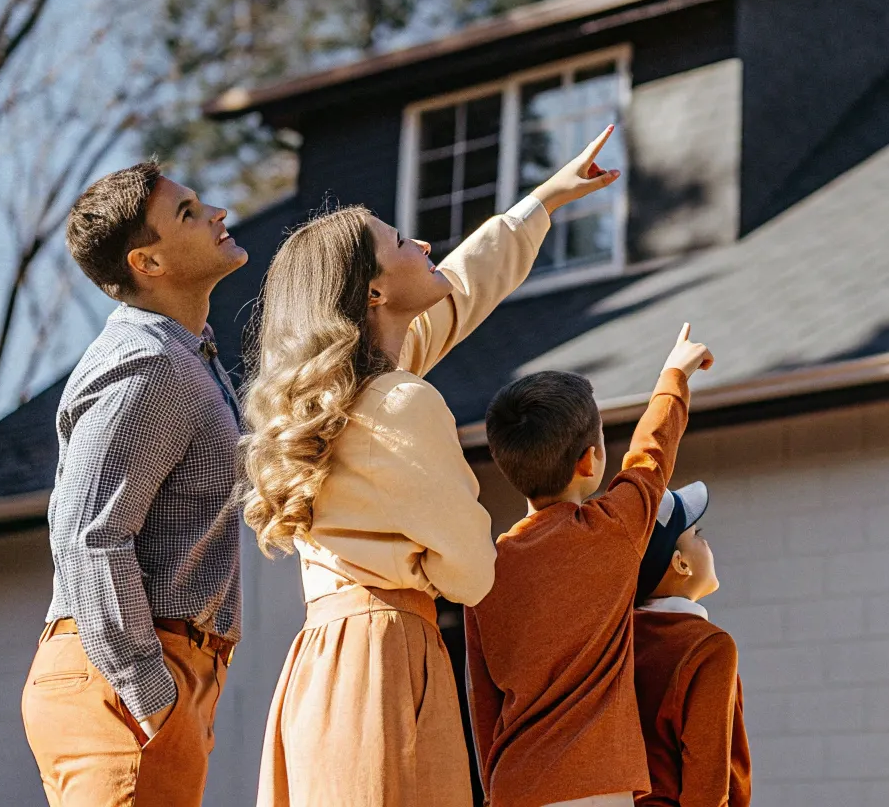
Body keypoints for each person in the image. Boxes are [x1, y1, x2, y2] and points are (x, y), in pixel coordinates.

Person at [241, 126, 622, 807]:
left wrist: (542, 203)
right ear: (374, 295)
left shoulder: (344, 399)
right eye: (399, 244)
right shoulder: (401, 400)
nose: (422, 244)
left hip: (320, 664)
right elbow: (471, 573)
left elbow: (467, 286)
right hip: (389, 659)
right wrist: (420, 565)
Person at [21, 163, 250, 807]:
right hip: (124, 672)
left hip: (160, 669)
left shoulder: (189, 356)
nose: (216, 214)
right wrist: (150, 691)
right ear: (147, 261)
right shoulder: (149, 364)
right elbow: (91, 535)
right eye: (187, 212)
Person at [466, 325, 716, 807]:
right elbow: (650, 458)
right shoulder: (611, 530)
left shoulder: (487, 568)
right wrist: (674, 377)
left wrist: (495, 787)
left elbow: (484, 701)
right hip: (596, 784)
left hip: (514, 786)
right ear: (591, 461)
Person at [631, 482, 752, 807]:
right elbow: (707, 784)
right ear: (680, 563)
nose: (707, 542)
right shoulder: (708, 646)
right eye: (697, 534)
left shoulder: (616, 639)